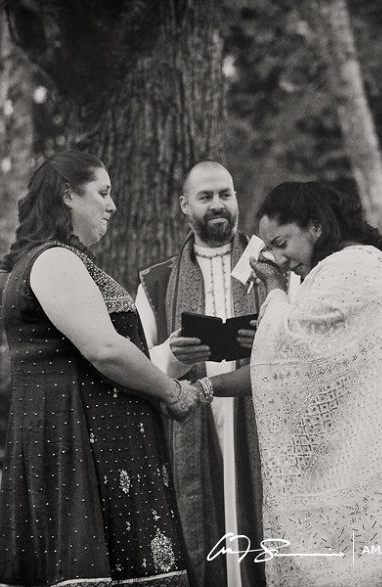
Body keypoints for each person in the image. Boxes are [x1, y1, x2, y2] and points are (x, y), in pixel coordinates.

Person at [209, 182, 382, 586]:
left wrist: (274, 289)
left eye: (282, 242)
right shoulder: (342, 270)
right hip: (366, 457)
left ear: (315, 228)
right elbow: (302, 363)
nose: (277, 257)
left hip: (381, 466)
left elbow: (290, 355)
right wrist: (274, 339)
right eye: (270, 247)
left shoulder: (352, 268)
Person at [0, 151, 208, 587]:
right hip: (83, 447)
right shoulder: (54, 260)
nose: (112, 206)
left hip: (82, 440)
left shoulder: (50, 261)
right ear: (68, 194)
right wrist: (172, 391)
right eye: (103, 192)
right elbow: (105, 348)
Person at [135, 161, 266, 587]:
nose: (218, 206)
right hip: (193, 423)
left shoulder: (273, 268)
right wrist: (172, 355)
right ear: (184, 206)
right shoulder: (156, 282)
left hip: (261, 424)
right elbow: (136, 365)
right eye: (205, 197)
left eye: (225, 195)